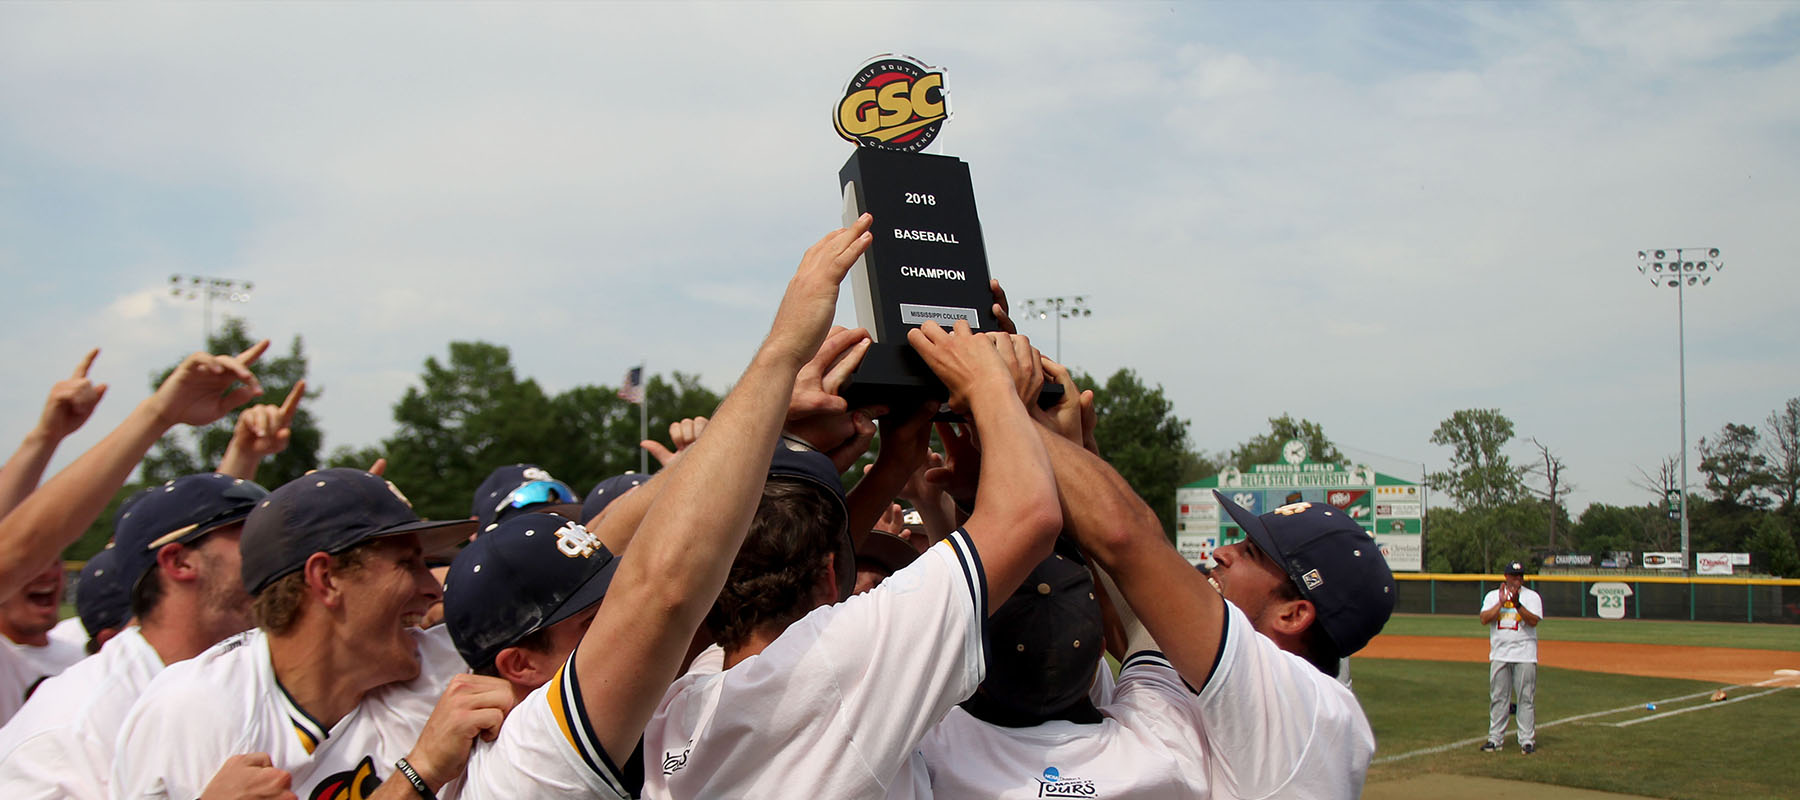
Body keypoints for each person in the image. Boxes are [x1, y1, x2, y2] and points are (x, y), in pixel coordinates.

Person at [1026, 356, 1395, 799]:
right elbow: (1124, 576)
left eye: (1251, 552)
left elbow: (1126, 539)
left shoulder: (1308, 711)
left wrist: (1013, 411)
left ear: (1294, 613)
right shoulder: (1205, 672)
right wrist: (1077, 450)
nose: (1222, 552)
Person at [110, 468, 504, 800]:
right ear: (326, 578)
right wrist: (419, 772)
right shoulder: (195, 710)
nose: (433, 588)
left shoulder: (451, 668)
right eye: (406, 564)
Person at [0, 342, 267, 726]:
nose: (45, 571)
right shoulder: (79, 711)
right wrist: (159, 413)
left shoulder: (76, 661)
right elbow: (15, 550)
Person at [0, 472, 267, 800]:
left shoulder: (248, 676)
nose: (277, 555)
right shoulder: (75, 723)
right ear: (179, 561)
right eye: (253, 537)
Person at [1480, 560, 1542, 754]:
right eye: (1514, 576)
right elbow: (1484, 619)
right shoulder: (1492, 596)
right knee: (1498, 697)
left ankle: (1526, 741)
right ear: (1506, 577)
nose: (1517, 579)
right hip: (1499, 653)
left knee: (1525, 698)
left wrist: (1517, 605)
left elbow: (1533, 621)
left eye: (1520, 576)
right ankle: (1495, 739)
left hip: (1525, 654)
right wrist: (1501, 602)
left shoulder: (1531, 597)